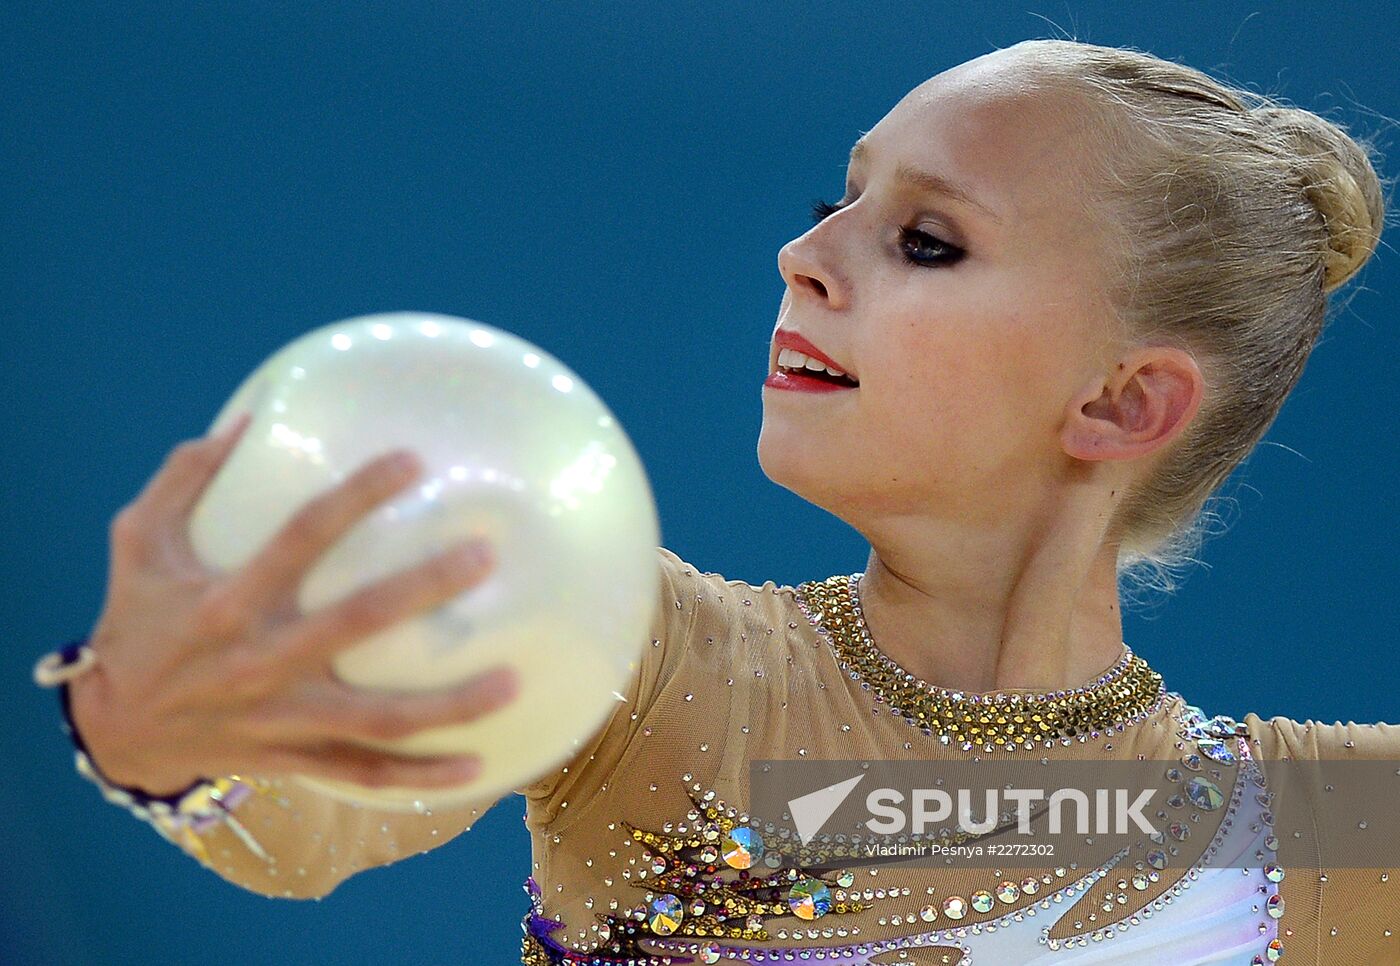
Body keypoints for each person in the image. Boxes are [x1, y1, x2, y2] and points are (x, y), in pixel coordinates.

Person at [37, 38, 1397, 965]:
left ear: (1121, 404)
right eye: (838, 200)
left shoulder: (1319, 825)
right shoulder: (644, 656)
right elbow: (306, 818)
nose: (802, 255)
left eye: (927, 239)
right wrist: (148, 725)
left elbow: (987, 810)